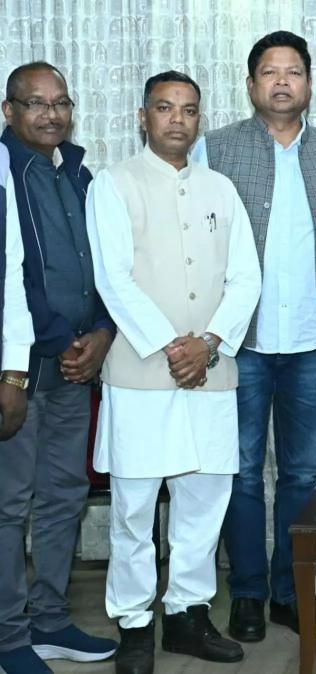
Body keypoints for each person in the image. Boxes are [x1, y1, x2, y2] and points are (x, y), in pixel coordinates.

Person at [86, 71, 262, 674]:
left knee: (204, 501)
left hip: (211, 371)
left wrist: (207, 343)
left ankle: (188, 614)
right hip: (140, 371)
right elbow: (113, 278)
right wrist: (171, 346)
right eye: (164, 108)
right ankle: (134, 622)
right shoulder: (113, 184)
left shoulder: (221, 188)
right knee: (134, 508)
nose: (177, 120)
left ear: (199, 119)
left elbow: (246, 277)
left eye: (188, 110)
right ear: (143, 117)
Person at [191, 30, 316, 641]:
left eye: (293, 71)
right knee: (240, 471)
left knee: (300, 472)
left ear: (310, 84)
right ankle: (246, 592)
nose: (282, 81)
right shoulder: (215, 149)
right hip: (238, 342)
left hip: (313, 342)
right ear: (251, 85)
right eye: (270, 72)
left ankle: (291, 590)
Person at [0, 62, 118, 674]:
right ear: (9, 110)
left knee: (64, 496)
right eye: (36, 103)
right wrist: (49, 345)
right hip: (18, 368)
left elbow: (104, 264)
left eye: (61, 103)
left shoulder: (78, 173)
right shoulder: (3, 173)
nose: (51, 114)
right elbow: (12, 273)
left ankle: (49, 621)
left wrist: (100, 332)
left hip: (74, 367)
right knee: (8, 506)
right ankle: (7, 638)